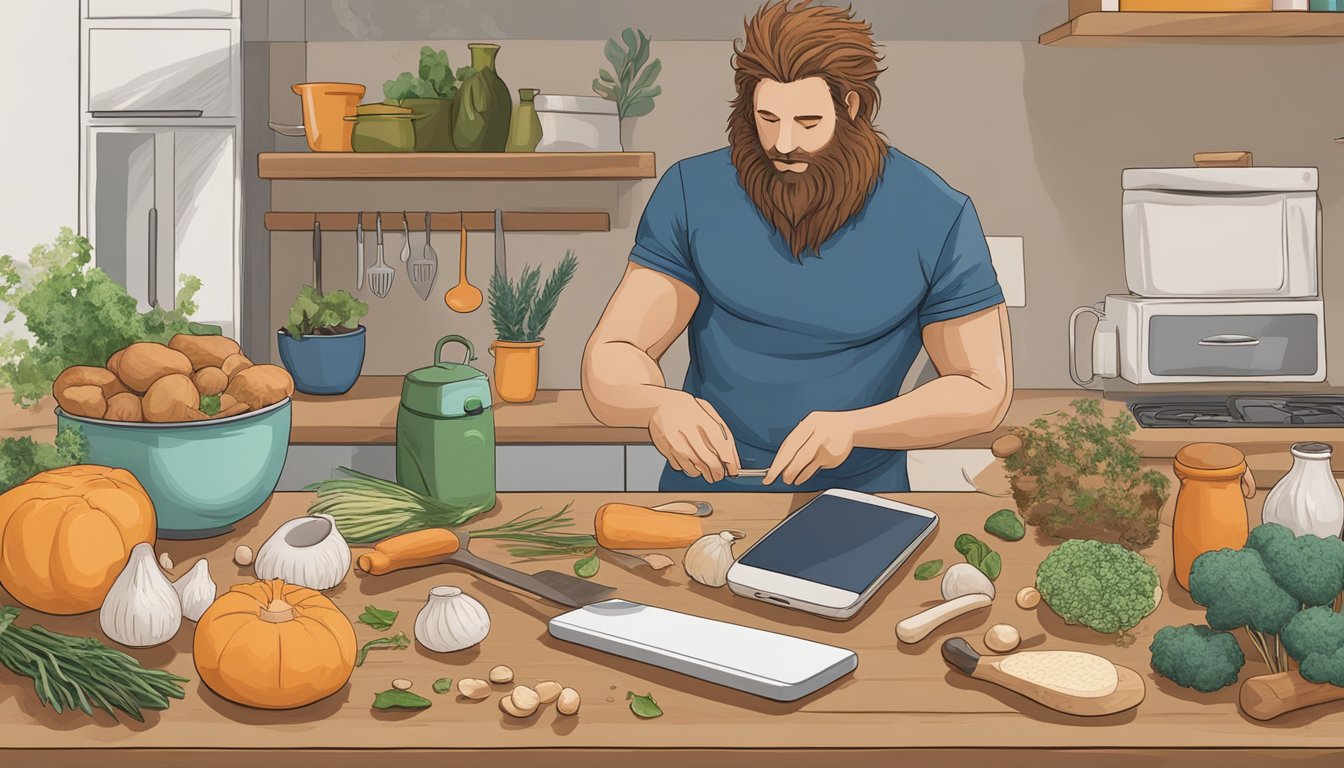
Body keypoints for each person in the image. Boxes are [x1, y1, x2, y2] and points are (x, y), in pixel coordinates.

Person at [581, 0, 1013, 493]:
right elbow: (614, 352)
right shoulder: (691, 191)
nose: (783, 144)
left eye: (807, 122)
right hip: (707, 495)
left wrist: (854, 429)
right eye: (767, 118)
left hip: (862, 500)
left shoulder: (935, 213)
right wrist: (657, 404)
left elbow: (983, 389)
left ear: (849, 108)